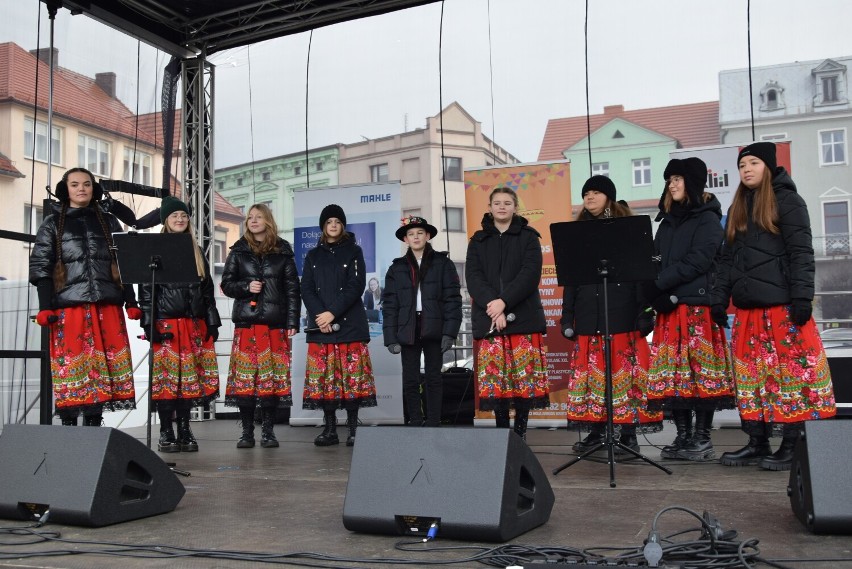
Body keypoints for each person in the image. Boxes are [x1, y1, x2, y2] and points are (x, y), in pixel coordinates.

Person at [710, 142, 836, 471]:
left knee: (790, 378)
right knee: (752, 380)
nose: (746, 169)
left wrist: (802, 298)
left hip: (782, 311)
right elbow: (726, 261)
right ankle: (756, 443)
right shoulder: (737, 208)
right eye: (741, 165)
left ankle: (792, 445)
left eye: (753, 163)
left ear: (768, 166)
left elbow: (801, 253)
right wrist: (719, 299)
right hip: (749, 312)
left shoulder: (789, 202)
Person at [29, 167, 140, 426]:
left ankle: (94, 426)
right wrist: (44, 306)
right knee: (73, 370)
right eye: (75, 184)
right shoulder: (51, 223)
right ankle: (69, 429)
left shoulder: (109, 220)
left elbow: (123, 263)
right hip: (69, 307)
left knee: (104, 369)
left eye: (87, 184)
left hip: (106, 303)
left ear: (94, 189)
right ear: (65, 189)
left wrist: (131, 301)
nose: (82, 189)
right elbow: (41, 266)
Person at [560, 176, 661, 454]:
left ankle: (628, 436)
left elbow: (641, 277)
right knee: (592, 379)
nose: (589, 197)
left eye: (596, 192)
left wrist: (645, 313)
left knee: (624, 379)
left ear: (609, 197)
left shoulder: (627, 229)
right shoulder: (576, 234)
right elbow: (571, 281)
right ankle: (595, 432)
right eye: (586, 193)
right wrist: (567, 318)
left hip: (621, 315)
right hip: (588, 317)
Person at [644, 158, 734, 462]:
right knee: (674, 378)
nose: (672, 184)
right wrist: (652, 285)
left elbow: (700, 260)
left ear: (693, 183)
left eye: (678, 178)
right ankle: (683, 436)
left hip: (697, 310)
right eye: (670, 179)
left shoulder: (708, 219)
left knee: (700, 376)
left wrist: (659, 282)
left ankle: (702, 439)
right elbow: (655, 260)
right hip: (669, 311)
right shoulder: (666, 222)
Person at [465, 187, 549, 440]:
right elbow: (473, 277)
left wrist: (504, 302)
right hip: (490, 319)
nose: (502, 207)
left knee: (523, 381)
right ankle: (503, 435)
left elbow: (530, 274)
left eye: (507, 203)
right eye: (497, 203)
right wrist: (494, 306)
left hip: (523, 319)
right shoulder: (478, 240)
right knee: (497, 383)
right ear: (489, 207)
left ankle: (520, 434)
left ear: (515, 207)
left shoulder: (529, 237)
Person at [138, 197, 221, 453]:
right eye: (174, 216)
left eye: (183, 216)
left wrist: (212, 321)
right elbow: (146, 290)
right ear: (165, 220)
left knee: (188, 381)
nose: (180, 219)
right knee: (167, 382)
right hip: (167, 326)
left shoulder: (196, 251)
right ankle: (166, 431)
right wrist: (149, 322)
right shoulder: (155, 250)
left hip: (192, 324)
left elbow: (207, 292)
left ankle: (185, 429)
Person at [221, 204, 300, 449]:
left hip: (275, 325)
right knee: (245, 381)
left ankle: (267, 431)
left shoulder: (283, 251)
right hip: (247, 324)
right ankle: (246, 432)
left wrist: (292, 322)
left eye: (258, 217)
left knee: (271, 381)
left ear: (268, 221)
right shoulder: (238, 251)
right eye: (250, 217)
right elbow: (226, 285)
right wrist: (246, 288)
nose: (253, 221)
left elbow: (292, 291)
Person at [301, 205, 377, 446]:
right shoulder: (312, 255)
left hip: (349, 327)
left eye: (337, 221)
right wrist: (320, 316)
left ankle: (353, 429)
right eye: (329, 221)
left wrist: (331, 313)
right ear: (323, 226)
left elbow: (357, 286)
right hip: (321, 328)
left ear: (343, 225)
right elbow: (307, 289)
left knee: (352, 380)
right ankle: (330, 429)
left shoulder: (354, 251)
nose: (333, 225)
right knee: (326, 382)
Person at [382, 216, 463, 427]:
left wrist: (450, 332)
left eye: (419, 233)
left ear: (428, 236)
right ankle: (415, 420)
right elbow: (389, 305)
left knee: (434, 377)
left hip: (434, 326)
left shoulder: (443, 263)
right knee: (410, 378)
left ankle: (434, 420)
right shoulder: (396, 268)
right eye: (411, 234)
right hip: (408, 327)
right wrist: (390, 337)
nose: (415, 237)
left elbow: (453, 300)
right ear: (405, 239)